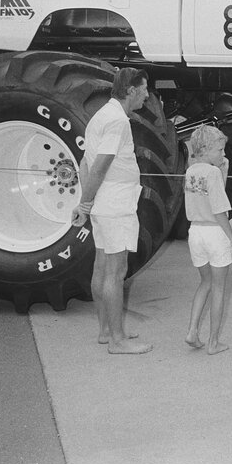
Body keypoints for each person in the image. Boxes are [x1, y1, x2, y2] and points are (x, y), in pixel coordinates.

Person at [72, 68, 153, 355]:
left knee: (102, 268)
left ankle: (106, 331)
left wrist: (86, 201)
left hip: (104, 204)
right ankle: (118, 341)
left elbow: (84, 162)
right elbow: (100, 165)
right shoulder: (118, 121)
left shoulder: (101, 115)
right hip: (115, 204)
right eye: (144, 88)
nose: (147, 94)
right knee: (115, 273)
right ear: (131, 90)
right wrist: (85, 203)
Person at [183, 125, 232, 355]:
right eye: (220, 150)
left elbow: (214, 195)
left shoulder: (192, 172)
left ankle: (192, 331)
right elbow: (219, 210)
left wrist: (223, 170)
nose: (223, 154)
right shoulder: (213, 173)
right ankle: (213, 342)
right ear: (206, 148)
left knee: (205, 283)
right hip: (215, 234)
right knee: (219, 288)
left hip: (195, 232)